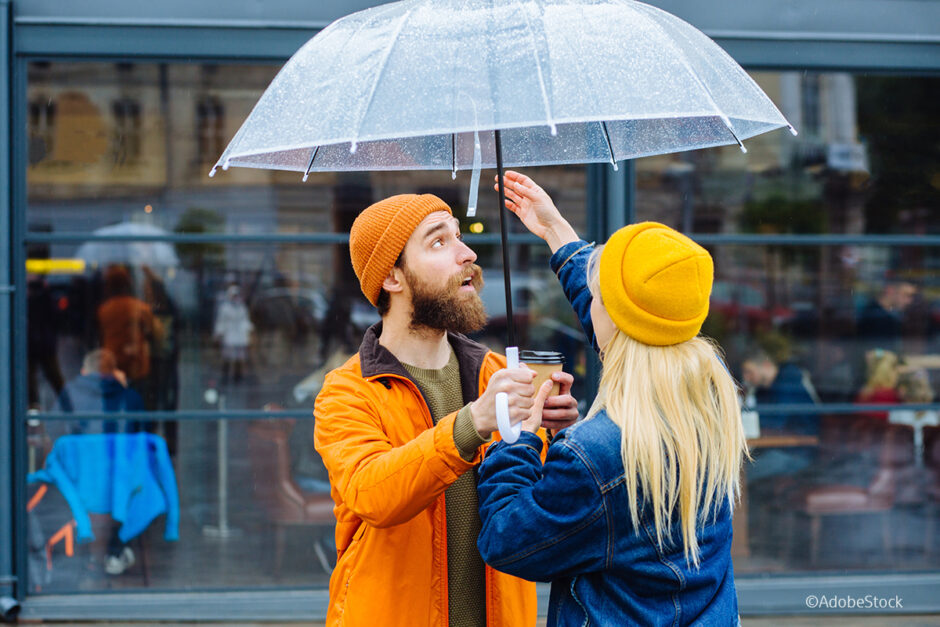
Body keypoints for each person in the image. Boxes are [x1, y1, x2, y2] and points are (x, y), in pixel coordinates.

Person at [475, 171, 747, 626]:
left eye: (597, 298)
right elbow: (629, 313)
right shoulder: (709, 392)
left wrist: (518, 441)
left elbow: (507, 540)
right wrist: (555, 231)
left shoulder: (596, 454)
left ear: (615, 318)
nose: (591, 305)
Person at [313, 194, 580, 627]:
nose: (467, 253)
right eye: (438, 242)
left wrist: (555, 436)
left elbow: (544, 511)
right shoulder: (348, 391)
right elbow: (372, 495)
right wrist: (473, 423)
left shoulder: (498, 375)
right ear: (392, 278)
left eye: (459, 236)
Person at [97, 265, 164, 410]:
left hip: (111, 366)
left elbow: (99, 337)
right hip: (136, 366)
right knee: (135, 412)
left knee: (111, 412)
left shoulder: (104, 310)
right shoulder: (139, 307)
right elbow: (157, 333)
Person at [213, 284, 253, 384]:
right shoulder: (225, 308)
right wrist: (219, 333)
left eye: (237, 295)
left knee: (239, 359)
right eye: (233, 296)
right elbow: (221, 321)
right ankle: (225, 376)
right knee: (227, 358)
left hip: (240, 336)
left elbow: (245, 320)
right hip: (229, 335)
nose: (235, 298)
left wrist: (249, 330)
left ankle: (237, 378)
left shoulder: (242, 307)